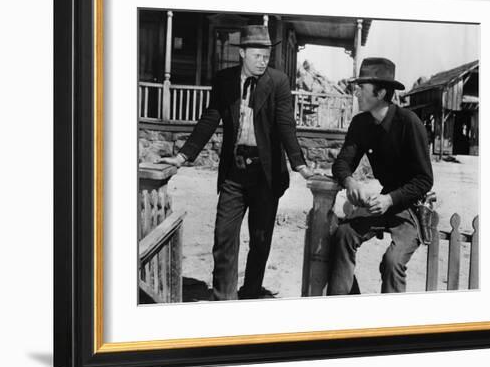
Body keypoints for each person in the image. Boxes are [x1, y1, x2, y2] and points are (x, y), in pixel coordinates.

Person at [158, 25, 313, 300]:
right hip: (234, 172)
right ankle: (224, 299)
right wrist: (183, 156)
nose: (262, 61)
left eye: (266, 56)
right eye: (256, 55)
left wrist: (299, 164)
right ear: (242, 53)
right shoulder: (224, 80)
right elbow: (210, 119)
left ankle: (250, 295)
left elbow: (286, 125)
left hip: (266, 175)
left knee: (260, 240)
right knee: (224, 238)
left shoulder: (278, 82)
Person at [329, 57, 433, 295]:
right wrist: (349, 181)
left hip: (410, 207)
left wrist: (390, 200)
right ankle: (339, 309)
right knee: (343, 235)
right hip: (381, 203)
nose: (355, 93)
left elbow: (424, 180)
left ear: (381, 92)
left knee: (392, 261)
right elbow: (342, 163)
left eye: (361, 88)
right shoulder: (360, 123)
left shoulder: (409, 123)